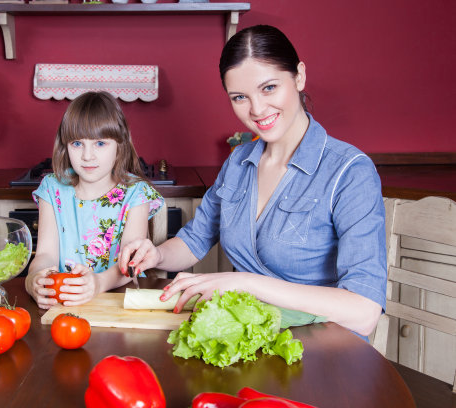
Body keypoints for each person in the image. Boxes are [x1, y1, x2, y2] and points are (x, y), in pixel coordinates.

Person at [118, 25, 386, 337]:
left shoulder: (350, 172)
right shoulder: (238, 162)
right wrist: (158, 254)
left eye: (269, 88)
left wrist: (244, 282)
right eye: (240, 97)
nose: (257, 109)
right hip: (248, 343)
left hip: (323, 353)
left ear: (298, 76)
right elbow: (194, 241)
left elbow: (364, 311)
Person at [26, 91, 164, 309]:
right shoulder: (52, 189)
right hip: (67, 302)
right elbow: (45, 254)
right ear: (65, 145)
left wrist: (98, 283)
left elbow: (131, 264)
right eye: (77, 144)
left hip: (120, 301)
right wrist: (33, 279)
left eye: (100, 143)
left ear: (120, 145)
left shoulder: (136, 193)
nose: (87, 156)